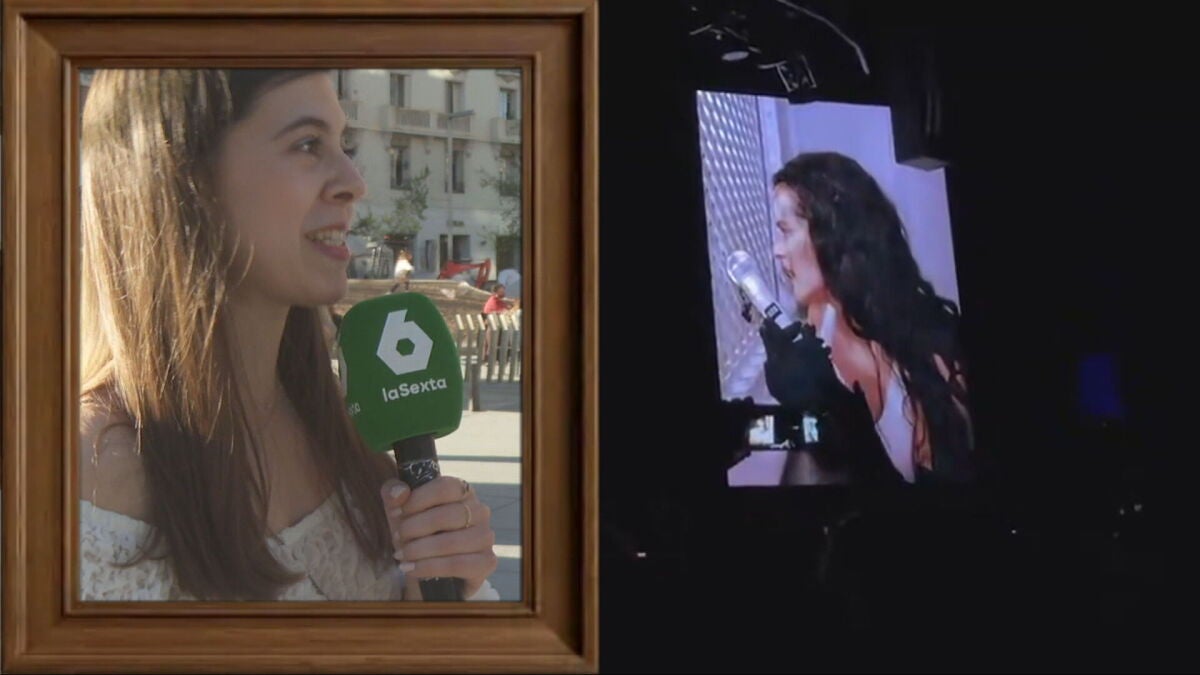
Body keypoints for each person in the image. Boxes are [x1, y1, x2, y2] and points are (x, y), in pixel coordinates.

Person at [78, 69, 499, 601]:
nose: (353, 181)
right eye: (307, 144)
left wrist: (443, 586)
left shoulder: (336, 427)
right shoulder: (90, 484)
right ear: (184, 179)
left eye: (342, 144)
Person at [758, 152, 973, 485]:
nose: (777, 250)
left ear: (832, 233)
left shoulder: (925, 339)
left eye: (786, 231)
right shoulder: (809, 344)